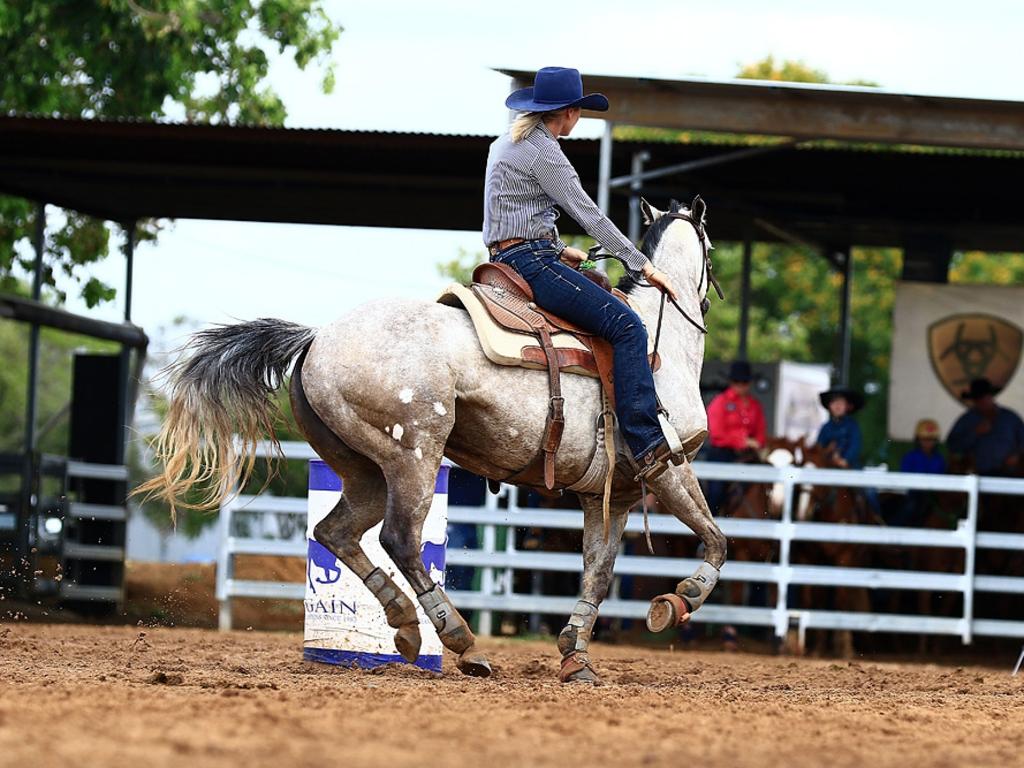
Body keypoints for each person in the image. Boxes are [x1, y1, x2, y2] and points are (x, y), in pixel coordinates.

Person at [482, 67, 679, 481]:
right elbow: (589, 214)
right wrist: (640, 262)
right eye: (579, 112)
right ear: (569, 112)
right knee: (627, 326)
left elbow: (515, 213)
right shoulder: (545, 153)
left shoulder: (506, 143)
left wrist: (557, 247)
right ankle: (644, 442)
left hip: (506, 258)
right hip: (532, 262)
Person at [704, 360, 767, 513]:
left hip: (748, 456)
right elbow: (716, 433)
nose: (741, 385)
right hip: (722, 453)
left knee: (767, 483)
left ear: (749, 383)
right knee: (716, 492)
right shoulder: (720, 402)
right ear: (731, 382)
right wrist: (743, 441)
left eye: (744, 382)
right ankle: (710, 524)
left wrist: (756, 443)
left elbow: (761, 433)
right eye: (737, 381)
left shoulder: (754, 405)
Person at [946, 378, 1024, 475]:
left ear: (991, 396)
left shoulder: (1011, 418)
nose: (982, 402)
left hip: (1010, 473)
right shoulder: (966, 420)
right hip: (979, 475)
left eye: (984, 398)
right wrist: (975, 433)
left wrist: (1017, 455)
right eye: (978, 399)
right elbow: (952, 445)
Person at [893, 418, 946, 527]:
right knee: (909, 508)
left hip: (934, 496)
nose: (928, 443)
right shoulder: (910, 457)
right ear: (918, 440)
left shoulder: (940, 459)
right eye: (924, 439)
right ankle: (893, 531)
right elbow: (904, 476)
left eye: (931, 439)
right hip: (915, 494)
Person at [816, 387, 864, 468]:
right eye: (834, 402)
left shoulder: (852, 426)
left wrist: (845, 459)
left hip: (849, 466)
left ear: (848, 406)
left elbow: (855, 445)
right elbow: (819, 446)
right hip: (827, 466)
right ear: (829, 405)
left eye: (841, 402)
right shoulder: (826, 427)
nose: (837, 405)